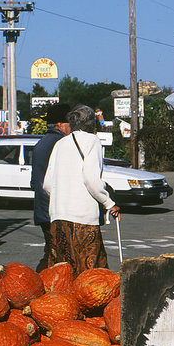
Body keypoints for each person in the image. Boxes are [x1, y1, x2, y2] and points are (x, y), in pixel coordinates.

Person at [43, 104, 120, 274]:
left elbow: (47, 183)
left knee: (62, 274)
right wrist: (109, 203)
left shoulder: (60, 143)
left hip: (58, 218)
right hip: (83, 220)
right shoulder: (92, 141)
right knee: (90, 276)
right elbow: (91, 179)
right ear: (92, 123)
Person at [31, 101, 72, 271]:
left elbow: (34, 181)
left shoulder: (43, 142)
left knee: (52, 251)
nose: (72, 128)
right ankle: (37, 286)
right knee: (56, 255)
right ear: (60, 124)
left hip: (42, 206)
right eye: (70, 124)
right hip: (52, 209)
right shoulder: (59, 144)